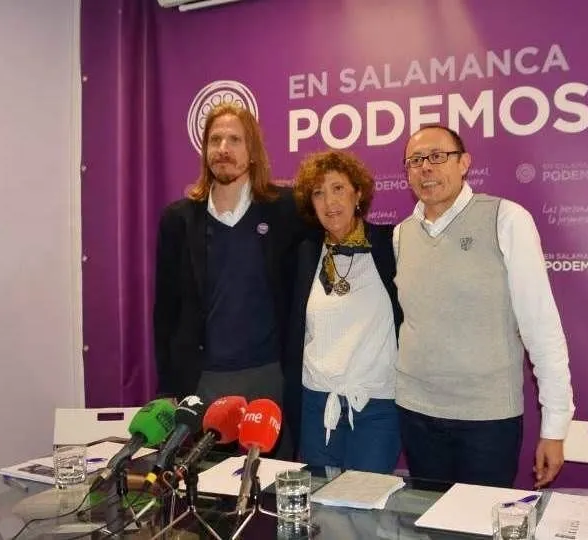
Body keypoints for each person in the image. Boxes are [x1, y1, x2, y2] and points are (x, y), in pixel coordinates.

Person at [393, 125, 574, 488]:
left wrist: (555, 427)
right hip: (416, 414)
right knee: (429, 528)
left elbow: (541, 326)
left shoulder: (506, 219)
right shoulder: (401, 234)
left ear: (464, 163)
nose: (426, 167)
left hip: (487, 421)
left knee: (479, 526)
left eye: (438, 156)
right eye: (415, 161)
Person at [152, 103, 302, 455]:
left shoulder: (286, 208)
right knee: (208, 497)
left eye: (235, 139)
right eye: (215, 139)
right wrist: (169, 387)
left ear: (252, 152)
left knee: (265, 493)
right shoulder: (179, 219)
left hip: (270, 380)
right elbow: (165, 311)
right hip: (205, 383)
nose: (223, 149)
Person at [286, 150, 403, 473]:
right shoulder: (307, 253)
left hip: (377, 403)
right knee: (321, 509)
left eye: (338, 188)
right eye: (318, 193)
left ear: (358, 193)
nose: (329, 202)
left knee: (362, 509)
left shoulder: (391, 245)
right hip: (316, 404)